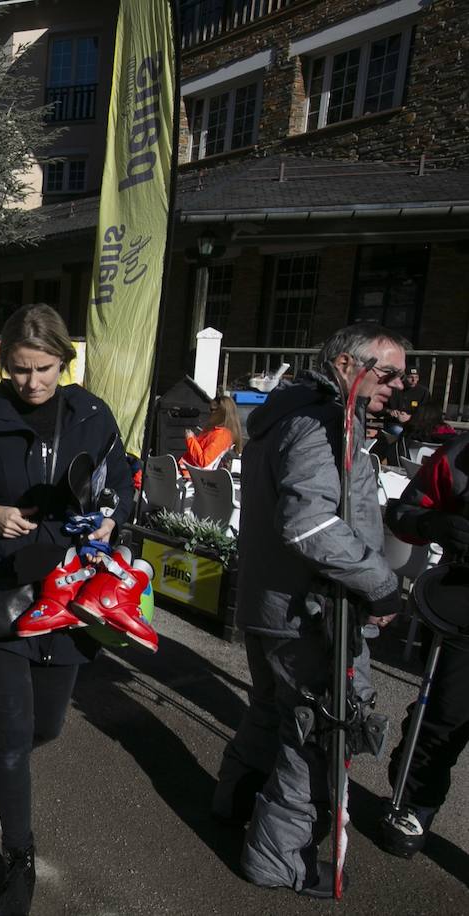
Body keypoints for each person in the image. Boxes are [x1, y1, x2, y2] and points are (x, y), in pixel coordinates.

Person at [0, 303, 133, 916]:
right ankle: (19, 854)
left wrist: (114, 517)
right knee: (11, 733)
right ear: (3, 365)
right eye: (18, 370)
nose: (32, 382)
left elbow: (120, 480)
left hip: (72, 595)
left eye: (43, 369)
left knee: (47, 727)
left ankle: (10, 773)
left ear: (64, 361)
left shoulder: (93, 415)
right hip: (1, 594)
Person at [211, 323, 408, 899]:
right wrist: (380, 583)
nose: (397, 386)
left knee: (272, 712)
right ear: (348, 365)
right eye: (388, 373)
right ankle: (280, 861)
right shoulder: (319, 422)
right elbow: (310, 522)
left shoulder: (294, 413)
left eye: (402, 375)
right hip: (309, 612)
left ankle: (235, 801)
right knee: (316, 734)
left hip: (275, 603)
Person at [380, 432, 469, 858]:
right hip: (462, 611)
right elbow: (401, 514)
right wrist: (435, 524)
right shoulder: (460, 455)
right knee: (443, 718)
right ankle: (414, 801)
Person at [181, 394, 242, 473]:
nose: (209, 413)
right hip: (189, 470)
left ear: (221, 413)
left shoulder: (223, 436)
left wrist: (190, 439)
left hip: (194, 475)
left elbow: (203, 462)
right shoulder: (215, 431)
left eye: (212, 410)